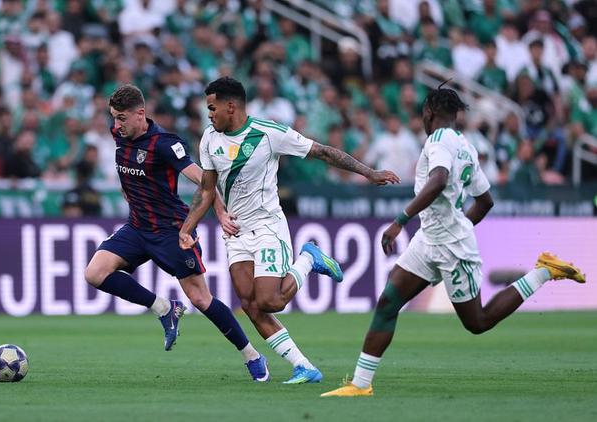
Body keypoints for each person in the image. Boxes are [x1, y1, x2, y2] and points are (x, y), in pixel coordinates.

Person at [321, 83, 586, 397]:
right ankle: (360, 384)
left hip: (451, 246)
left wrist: (400, 221)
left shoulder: (437, 140)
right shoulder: (465, 146)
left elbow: (438, 181)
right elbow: (485, 201)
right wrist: (458, 226)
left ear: (430, 112)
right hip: (430, 239)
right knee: (388, 302)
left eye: (423, 113)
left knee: (477, 322)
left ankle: (543, 271)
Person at [178, 77, 399, 384]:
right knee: (250, 304)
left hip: (267, 226)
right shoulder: (209, 139)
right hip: (236, 232)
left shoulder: (269, 133)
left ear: (231, 107)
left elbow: (322, 152)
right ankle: (303, 366)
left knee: (271, 301)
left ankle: (309, 259)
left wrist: (368, 172)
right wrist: (187, 229)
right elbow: (206, 190)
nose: (209, 114)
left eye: (212, 108)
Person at [83, 84, 267, 381]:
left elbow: (204, 180)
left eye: (121, 118)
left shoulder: (165, 144)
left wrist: (221, 213)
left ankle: (252, 355)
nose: (116, 124)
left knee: (201, 299)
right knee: (94, 273)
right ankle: (164, 308)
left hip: (171, 231)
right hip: (137, 227)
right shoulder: (119, 134)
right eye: (114, 118)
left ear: (140, 113)